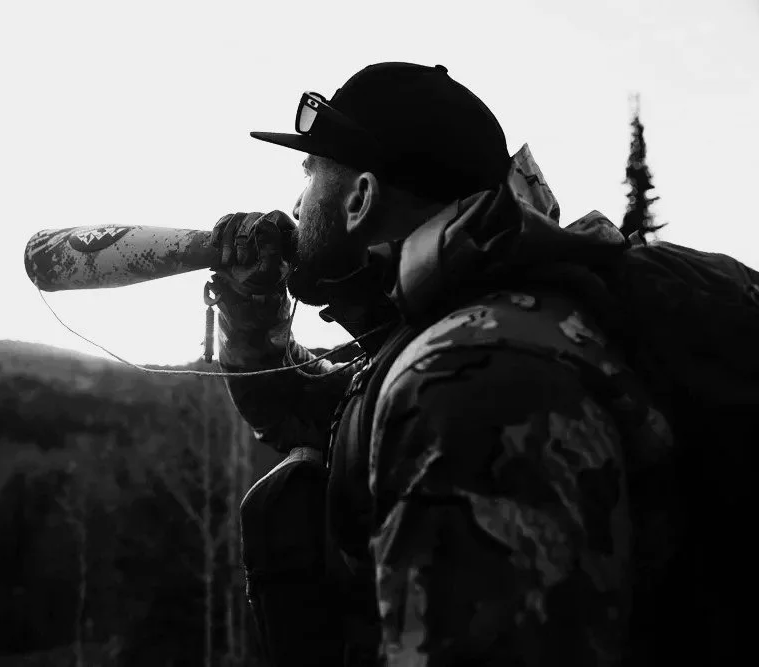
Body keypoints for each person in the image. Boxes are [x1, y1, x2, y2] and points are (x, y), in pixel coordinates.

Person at [209, 63, 679, 666]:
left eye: (310, 174)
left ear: (360, 199)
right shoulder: (450, 327)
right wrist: (254, 315)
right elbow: (308, 414)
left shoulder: (469, 379)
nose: (296, 206)